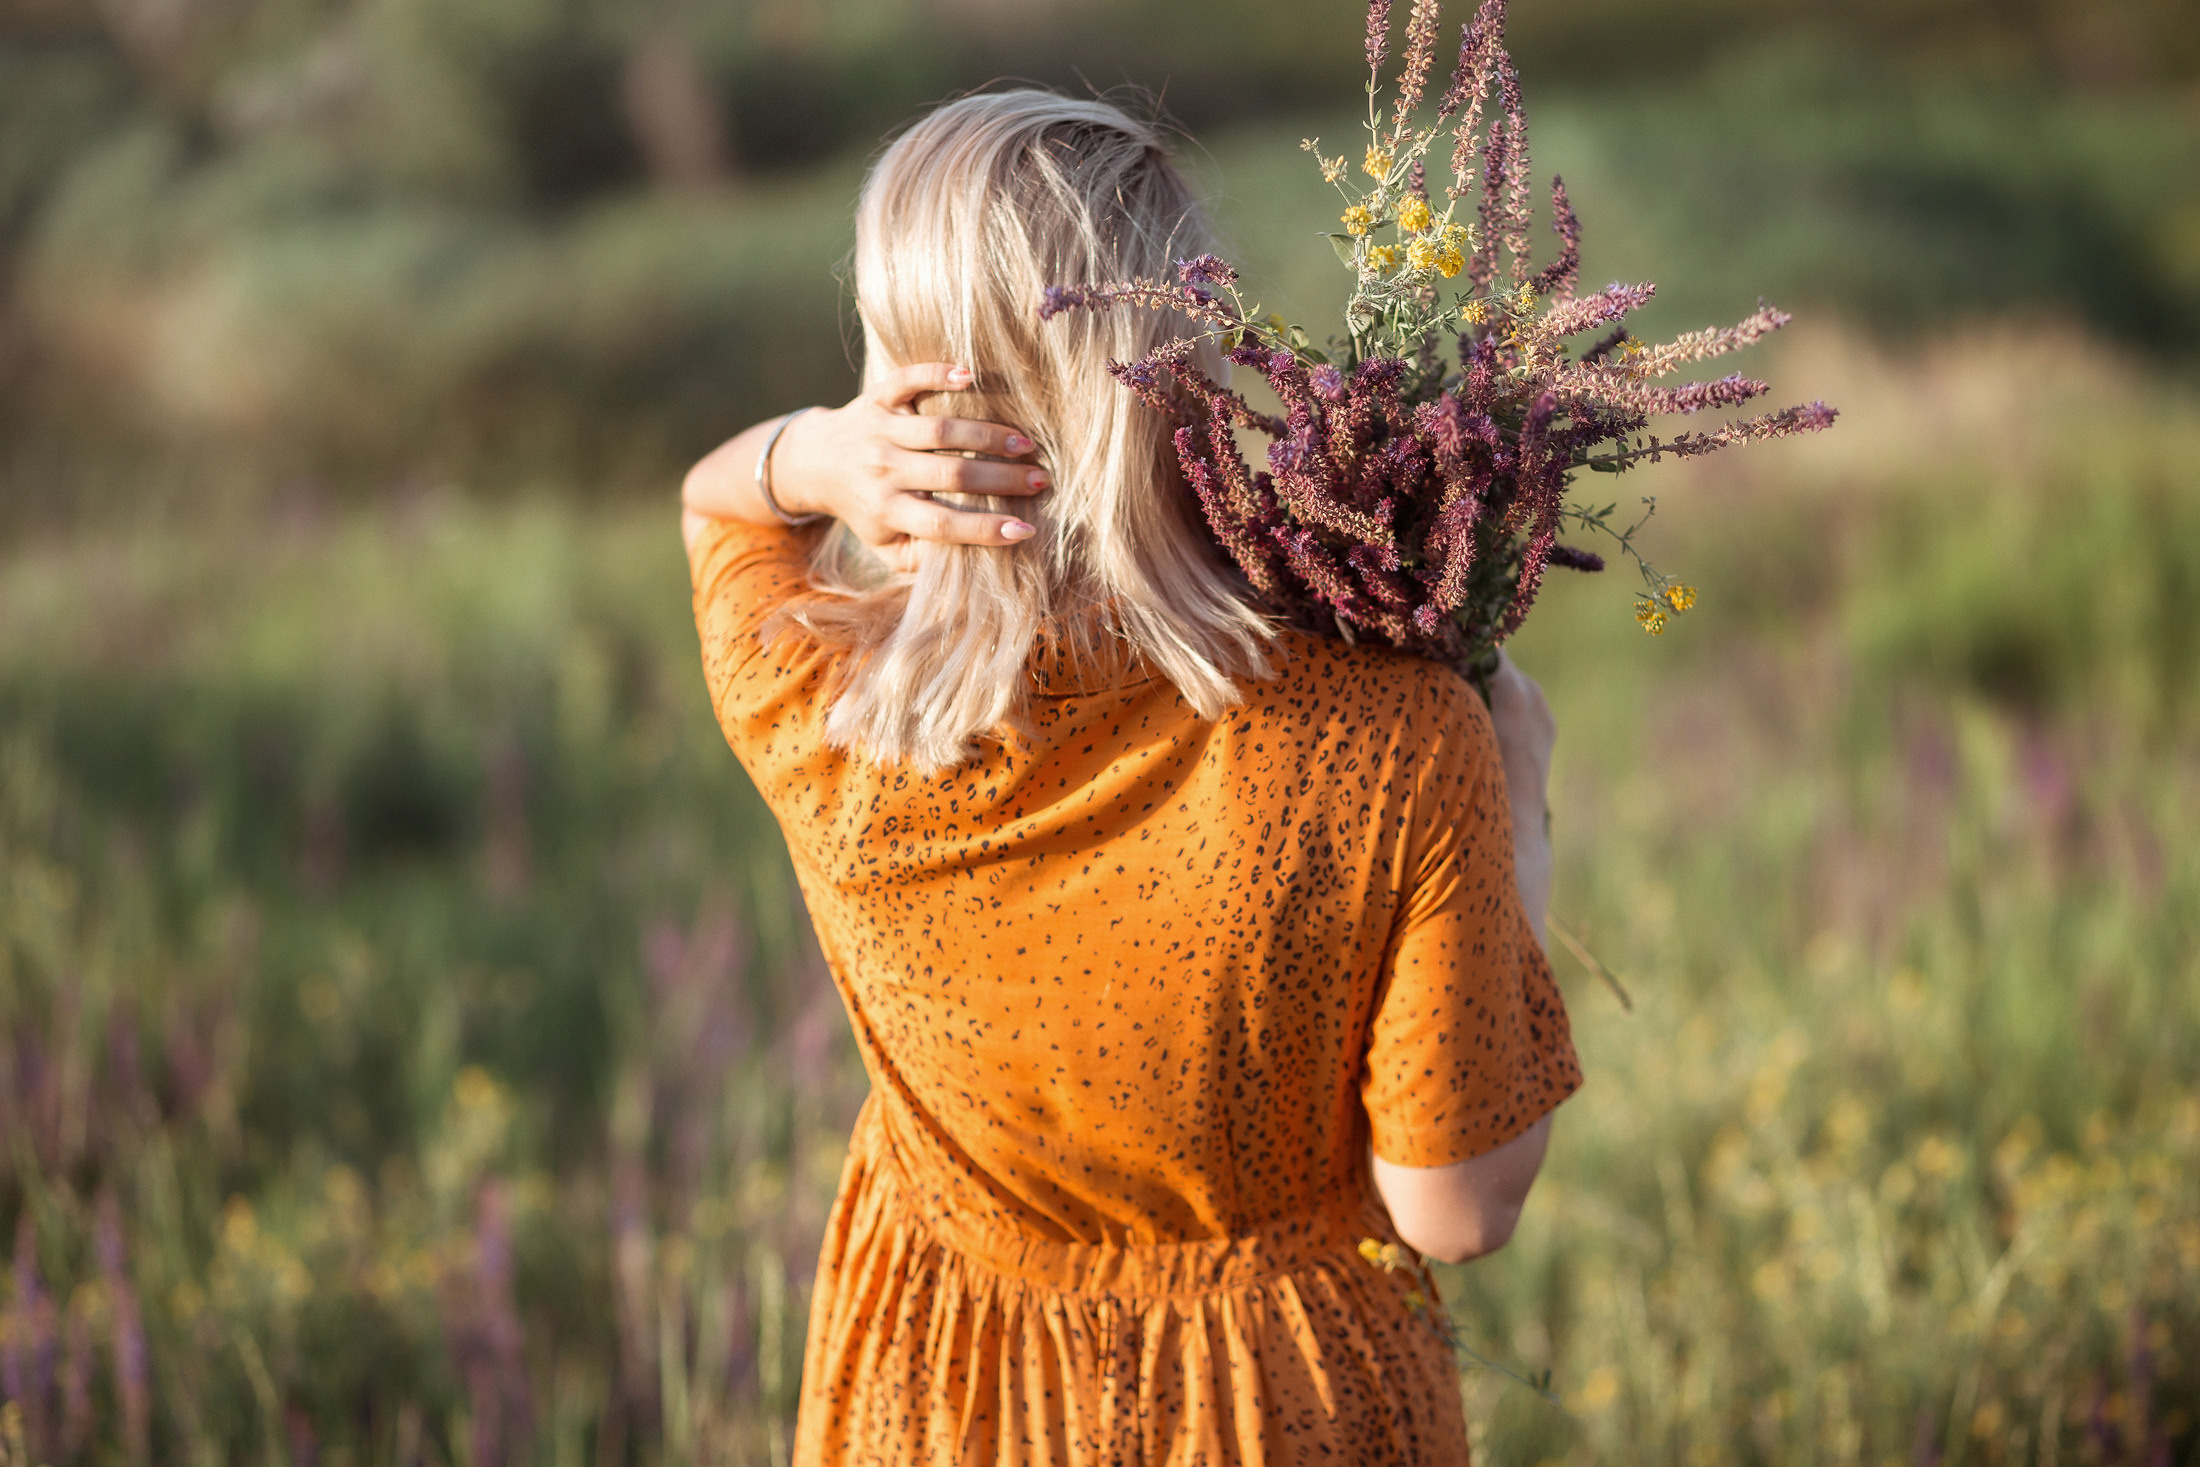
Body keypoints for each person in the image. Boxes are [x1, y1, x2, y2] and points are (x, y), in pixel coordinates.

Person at [681, 89, 1579, 1467]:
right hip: (1282, 1412)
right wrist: (1512, 791)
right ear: (1185, 351)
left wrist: (817, 449)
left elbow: (715, 504)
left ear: (902, 384)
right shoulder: (1395, 739)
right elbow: (1455, 1210)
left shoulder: (818, 703)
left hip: (941, 1397)